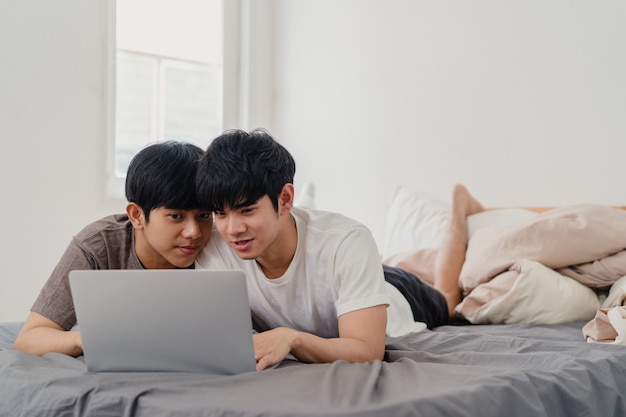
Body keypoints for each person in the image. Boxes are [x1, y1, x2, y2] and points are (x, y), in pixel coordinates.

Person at [195, 129, 484, 371]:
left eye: (247, 210)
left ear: (285, 199)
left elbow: (367, 350)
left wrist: (292, 339)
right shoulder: (213, 246)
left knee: (448, 299)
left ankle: (460, 208)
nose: (232, 229)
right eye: (220, 213)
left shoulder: (348, 240)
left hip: (395, 294)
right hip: (348, 279)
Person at [14, 141, 213, 357]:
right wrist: (93, 337)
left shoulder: (223, 242)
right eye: (176, 216)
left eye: (204, 215)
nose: (194, 232)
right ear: (136, 215)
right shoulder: (98, 245)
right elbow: (29, 338)